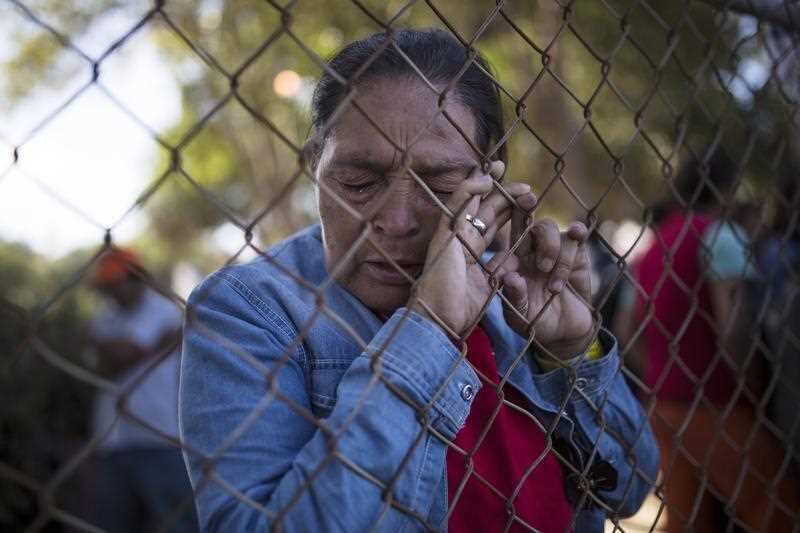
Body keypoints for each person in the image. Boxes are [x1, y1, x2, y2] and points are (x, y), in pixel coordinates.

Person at [180, 29, 658, 532]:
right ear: (312, 166)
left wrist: (570, 352)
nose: (398, 221)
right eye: (359, 184)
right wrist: (426, 330)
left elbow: (630, 488)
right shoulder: (248, 310)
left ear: (489, 184)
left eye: (441, 186)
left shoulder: (514, 292)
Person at [632, 147, 800, 532]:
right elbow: (732, 328)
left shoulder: (656, 245)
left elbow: (630, 328)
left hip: (664, 403)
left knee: (687, 520)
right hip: (716, 402)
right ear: (723, 189)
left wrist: (662, 374)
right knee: (776, 509)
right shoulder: (721, 235)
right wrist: (754, 388)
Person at [86, 248, 197, 532]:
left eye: (116, 284)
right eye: (106, 287)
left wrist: (115, 349)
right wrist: (150, 348)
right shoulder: (104, 317)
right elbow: (106, 363)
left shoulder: (165, 310)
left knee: (175, 522)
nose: (111, 293)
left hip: (160, 435)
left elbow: (123, 355)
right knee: (115, 523)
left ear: (137, 279)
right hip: (113, 439)